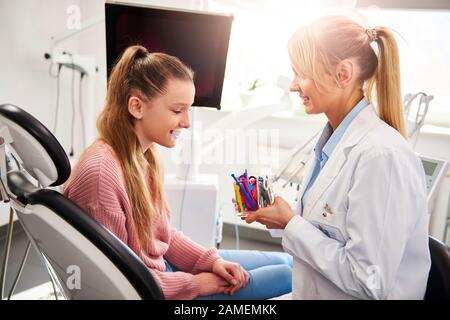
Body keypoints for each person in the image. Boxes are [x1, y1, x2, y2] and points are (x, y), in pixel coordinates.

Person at [63, 45, 292, 300]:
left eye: (188, 109)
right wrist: (195, 284)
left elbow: (164, 236)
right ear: (137, 107)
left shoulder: (143, 158)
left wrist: (212, 261)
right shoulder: (102, 175)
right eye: (177, 110)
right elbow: (119, 279)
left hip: (164, 274)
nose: (187, 122)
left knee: (288, 262)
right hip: (154, 290)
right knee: (287, 275)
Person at [244, 16, 430, 299]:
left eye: (301, 74)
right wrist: (283, 220)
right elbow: (329, 233)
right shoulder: (333, 143)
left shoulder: (381, 157)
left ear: (343, 74)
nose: (293, 86)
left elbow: (369, 281)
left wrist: (291, 224)